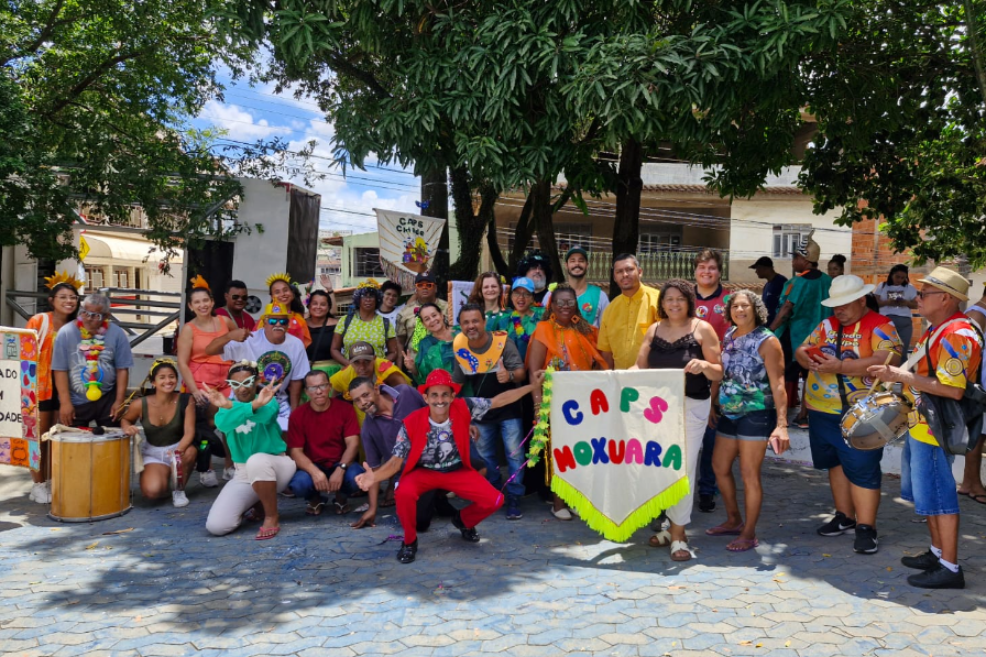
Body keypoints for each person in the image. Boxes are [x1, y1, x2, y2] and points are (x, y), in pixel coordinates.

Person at [354, 369, 542, 564]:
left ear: (453, 396)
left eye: (445, 394)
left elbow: (498, 400)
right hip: (422, 472)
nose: (440, 400)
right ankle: (409, 542)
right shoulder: (410, 422)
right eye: (434, 395)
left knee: (495, 500)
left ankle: (463, 521)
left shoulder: (463, 406)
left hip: (455, 470)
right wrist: (373, 477)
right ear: (425, 398)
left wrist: (532, 387)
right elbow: (395, 462)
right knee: (403, 493)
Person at [868, 267, 981, 589]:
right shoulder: (941, 328)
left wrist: (900, 377)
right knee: (929, 495)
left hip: (936, 428)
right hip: (924, 424)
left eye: (924, 293)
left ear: (945, 298)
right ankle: (937, 552)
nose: (917, 298)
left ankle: (950, 566)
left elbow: (953, 389)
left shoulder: (957, 333)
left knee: (941, 496)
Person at [795, 275, 902, 555]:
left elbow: (889, 360)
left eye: (843, 305)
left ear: (861, 300)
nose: (838, 310)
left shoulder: (880, 326)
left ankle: (867, 527)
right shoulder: (827, 325)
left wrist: (841, 366)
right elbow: (802, 348)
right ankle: (845, 516)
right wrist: (805, 357)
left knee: (864, 470)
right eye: (835, 305)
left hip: (863, 414)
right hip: (822, 411)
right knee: (836, 463)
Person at [636, 280, 722, 561]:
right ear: (662, 303)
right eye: (668, 299)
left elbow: (718, 372)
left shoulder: (702, 329)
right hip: (657, 410)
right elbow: (640, 367)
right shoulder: (654, 329)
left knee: (683, 469)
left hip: (692, 407)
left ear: (689, 301)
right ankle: (668, 527)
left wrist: (705, 366)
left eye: (680, 299)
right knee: (661, 467)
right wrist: (616, 379)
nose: (674, 304)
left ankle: (679, 536)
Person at [708, 291, 789, 552]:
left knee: (749, 474)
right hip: (729, 413)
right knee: (719, 466)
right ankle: (733, 519)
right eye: (735, 306)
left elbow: (778, 384)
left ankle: (749, 532)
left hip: (756, 414)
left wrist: (782, 423)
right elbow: (722, 373)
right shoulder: (729, 336)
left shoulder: (768, 341)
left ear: (756, 309)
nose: (739, 310)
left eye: (745, 305)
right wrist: (712, 402)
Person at [527, 283, 610, 519]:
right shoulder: (543, 329)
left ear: (577, 305)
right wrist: (537, 406)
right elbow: (535, 373)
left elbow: (602, 357)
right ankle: (559, 503)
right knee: (559, 452)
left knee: (580, 452)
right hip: (554, 400)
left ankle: (576, 498)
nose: (565, 307)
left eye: (570, 302)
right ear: (551, 304)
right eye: (560, 302)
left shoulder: (586, 330)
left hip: (583, 401)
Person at [349, 376, 474, 530]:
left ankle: (438, 495)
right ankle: (433, 497)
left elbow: (437, 407)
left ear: (376, 389)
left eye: (365, 395)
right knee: (418, 524)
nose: (363, 403)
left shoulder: (406, 392)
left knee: (478, 467)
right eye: (357, 400)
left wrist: (462, 423)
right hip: (410, 474)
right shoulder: (368, 429)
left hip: (437, 459)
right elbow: (374, 470)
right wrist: (372, 508)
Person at [203, 361, 297, 539]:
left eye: (247, 383)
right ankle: (257, 504)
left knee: (257, 460)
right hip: (243, 473)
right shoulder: (225, 407)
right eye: (236, 384)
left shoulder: (268, 400)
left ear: (256, 382)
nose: (242, 389)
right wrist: (239, 406)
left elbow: (266, 415)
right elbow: (223, 423)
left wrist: (233, 407)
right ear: (230, 385)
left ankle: (271, 516)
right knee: (216, 526)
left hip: (277, 466)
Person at [452, 304, 527, 520]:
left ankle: (514, 496)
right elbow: (457, 384)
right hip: (481, 413)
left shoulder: (503, 343)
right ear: (461, 326)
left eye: (475, 321)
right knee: (486, 457)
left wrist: (510, 377)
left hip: (509, 410)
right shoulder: (460, 348)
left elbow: (521, 372)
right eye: (466, 322)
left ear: (484, 322)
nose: (471, 326)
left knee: (515, 455)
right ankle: (494, 493)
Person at [205, 302, 310, 432]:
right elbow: (209, 350)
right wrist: (230, 336)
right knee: (233, 429)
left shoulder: (296, 344)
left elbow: (296, 380)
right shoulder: (250, 340)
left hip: (276, 398)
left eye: (283, 321)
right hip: (244, 396)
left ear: (288, 324)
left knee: (286, 431)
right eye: (272, 320)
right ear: (264, 322)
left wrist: (294, 411)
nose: (278, 324)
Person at [24, 272, 81, 503]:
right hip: (39, 388)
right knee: (38, 437)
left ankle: (52, 479)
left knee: (59, 437)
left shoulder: (78, 326)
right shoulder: (39, 321)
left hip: (68, 389)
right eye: (63, 297)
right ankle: (38, 484)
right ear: (52, 300)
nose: (69, 301)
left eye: (73, 297)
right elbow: (24, 353)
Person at [769, 231, 832, 429]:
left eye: (795, 256)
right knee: (810, 376)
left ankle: (782, 417)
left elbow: (787, 308)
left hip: (795, 338)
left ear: (805, 259)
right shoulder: (827, 281)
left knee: (783, 375)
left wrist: (770, 330)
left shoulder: (799, 282)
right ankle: (804, 415)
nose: (792, 260)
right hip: (821, 338)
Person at [176, 280, 234, 484]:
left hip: (227, 381)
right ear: (191, 306)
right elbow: (182, 363)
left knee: (230, 422)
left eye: (205, 300)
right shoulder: (189, 329)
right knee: (205, 426)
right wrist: (195, 390)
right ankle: (206, 467)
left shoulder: (225, 322)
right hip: (201, 383)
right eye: (197, 302)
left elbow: (239, 343)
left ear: (212, 302)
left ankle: (230, 464)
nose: (202, 305)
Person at [120, 359, 197, 508]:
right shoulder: (140, 404)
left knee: (191, 451)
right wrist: (127, 427)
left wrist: (177, 452)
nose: (168, 381)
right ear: (153, 382)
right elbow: (126, 419)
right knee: (152, 493)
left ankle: (178, 490)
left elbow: (189, 433)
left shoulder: (187, 400)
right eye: (162, 377)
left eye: (171, 376)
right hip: (153, 453)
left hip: (179, 448)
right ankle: (166, 476)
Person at [286, 371, 364, 515]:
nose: (319, 391)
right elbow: (295, 451)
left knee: (357, 478)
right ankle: (315, 499)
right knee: (299, 484)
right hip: (313, 464)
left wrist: (341, 469)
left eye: (323, 386)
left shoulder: (345, 409)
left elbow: (353, 443)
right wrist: (315, 472)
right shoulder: (297, 415)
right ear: (306, 392)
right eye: (313, 388)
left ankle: (342, 497)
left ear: (330, 387)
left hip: (340, 462)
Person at [52, 293, 134, 428]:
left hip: (107, 398)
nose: (88, 319)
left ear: (107, 316)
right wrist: (65, 403)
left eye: (96, 315)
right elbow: (60, 369)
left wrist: (119, 401)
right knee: (72, 443)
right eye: (85, 313)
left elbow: (122, 369)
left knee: (111, 441)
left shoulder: (117, 333)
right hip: (75, 400)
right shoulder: (66, 333)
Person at [693, 249, 731, 512]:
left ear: (720, 271)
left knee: (711, 438)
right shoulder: (682, 297)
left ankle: (707, 489)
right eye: (702, 267)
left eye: (712, 267)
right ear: (695, 270)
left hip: (720, 376)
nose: (707, 271)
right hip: (687, 376)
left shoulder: (730, 301)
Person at [597, 254, 661, 370]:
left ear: (640, 271)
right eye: (619, 271)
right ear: (615, 277)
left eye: (629, 269)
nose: (625, 275)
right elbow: (607, 354)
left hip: (652, 380)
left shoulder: (658, 301)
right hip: (620, 382)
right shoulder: (610, 310)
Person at [330, 342, 411, 425]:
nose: (362, 367)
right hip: (364, 421)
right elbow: (332, 393)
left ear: (374, 358)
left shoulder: (388, 371)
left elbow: (406, 397)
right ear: (350, 362)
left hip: (394, 417)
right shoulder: (345, 374)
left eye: (367, 361)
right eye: (357, 362)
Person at [959, 284, 986, 505]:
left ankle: (969, 483)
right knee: (977, 437)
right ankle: (974, 485)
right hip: (979, 388)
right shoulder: (977, 314)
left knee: (979, 436)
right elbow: (968, 354)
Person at [331, 280, 399, 367]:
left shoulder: (385, 322)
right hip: (350, 372)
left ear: (377, 299)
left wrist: (378, 365)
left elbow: (393, 352)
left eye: (371, 296)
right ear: (358, 299)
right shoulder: (345, 320)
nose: (368, 300)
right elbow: (334, 349)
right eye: (363, 296)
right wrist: (349, 365)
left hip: (377, 373)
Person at [490, 277, 544, 363]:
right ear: (511, 297)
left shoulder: (542, 318)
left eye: (526, 294)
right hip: (511, 371)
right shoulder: (504, 321)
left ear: (532, 298)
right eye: (517, 293)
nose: (521, 298)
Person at [404, 303, 457, 386]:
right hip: (444, 392)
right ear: (423, 324)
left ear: (441, 315)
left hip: (473, 387)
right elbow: (424, 378)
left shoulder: (461, 332)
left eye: (434, 315)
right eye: (427, 319)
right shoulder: (425, 345)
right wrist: (413, 368)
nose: (432, 320)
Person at [396, 271, 448, 351]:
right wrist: (399, 363)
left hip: (442, 359)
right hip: (414, 361)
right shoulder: (405, 312)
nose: (424, 287)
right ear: (416, 289)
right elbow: (400, 341)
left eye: (429, 285)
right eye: (420, 285)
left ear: (435, 288)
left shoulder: (448, 308)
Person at [561, 247, 609, 328]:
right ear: (566, 265)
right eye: (573, 261)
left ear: (587, 265)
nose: (577, 264)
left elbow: (606, 329)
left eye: (581, 261)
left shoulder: (600, 296)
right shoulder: (553, 294)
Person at [875, 264, 918, 355]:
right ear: (891, 275)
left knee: (902, 351)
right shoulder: (882, 286)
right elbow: (875, 303)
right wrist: (887, 302)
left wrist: (906, 303)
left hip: (904, 321)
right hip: (886, 320)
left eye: (902, 278)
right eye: (897, 277)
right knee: (886, 350)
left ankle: (901, 367)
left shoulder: (909, 287)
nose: (899, 280)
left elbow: (916, 305)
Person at [267, 272, 312, 348]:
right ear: (272, 297)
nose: (283, 294)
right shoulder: (265, 319)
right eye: (277, 292)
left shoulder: (299, 320)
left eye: (285, 290)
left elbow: (302, 348)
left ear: (292, 293)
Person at [305, 289, 339, 369]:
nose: (318, 307)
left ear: (328, 307)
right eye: (314, 303)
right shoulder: (301, 324)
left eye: (323, 304)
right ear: (309, 306)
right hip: (306, 372)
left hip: (332, 371)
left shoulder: (338, 325)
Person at [750, 256, 788, 326]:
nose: (756, 272)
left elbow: (786, 307)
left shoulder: (782, 283)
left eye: (757, 268)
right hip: (767, 327)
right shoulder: (767, 285)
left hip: (779, 328)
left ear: (766, 268)